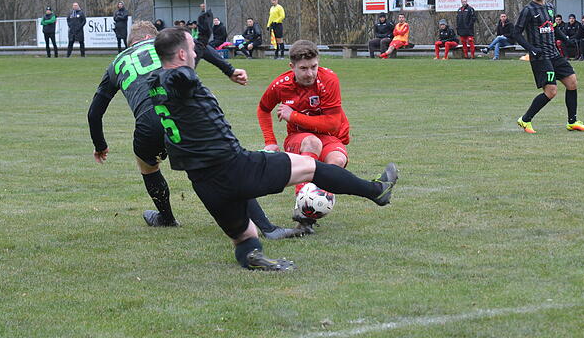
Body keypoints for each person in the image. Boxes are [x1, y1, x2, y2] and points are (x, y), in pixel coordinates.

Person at [147, 27, 399, 270]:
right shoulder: (180, 78)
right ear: (181, 55)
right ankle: (376, 190)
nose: (196, 53)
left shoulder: (155, 81)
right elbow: (183, 75)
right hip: (234, 167)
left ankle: (255, 260)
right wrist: (205, 44)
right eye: (192, 49)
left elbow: (180, 74)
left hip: (203, 181)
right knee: (311, 167)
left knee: (246, 237)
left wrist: (223, 64)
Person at [87, 22, 299, 239]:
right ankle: (267, 227)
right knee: (223, 165)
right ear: (154, 37)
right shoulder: (165, 46)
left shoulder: (117, 62)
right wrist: (230, 70)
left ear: (130, 42)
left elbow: (94, 112)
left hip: (148, 123)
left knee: (147, 165)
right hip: (182, 114)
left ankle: (166, 217)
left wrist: (100, 145)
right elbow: (202, 47)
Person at [257, 40, 353, 231]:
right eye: (303, 68)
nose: (310, 73)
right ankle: (302, 210)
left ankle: (314, 208)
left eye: (314, 67)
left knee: (338, 160)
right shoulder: (280, 85)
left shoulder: (329, 80)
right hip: (299, 138)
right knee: (312, 143)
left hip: (328, 135)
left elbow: (332, 123)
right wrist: (270, 142)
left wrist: (292, 115)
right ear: (292, 67)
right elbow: (263, 109)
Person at [512, 0, 584, 134]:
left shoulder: (550, 7)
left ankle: (572, 122)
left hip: (554, 54)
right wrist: (531, 48)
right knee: (551, 91)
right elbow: (516, 33)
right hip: (540, 57)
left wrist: (567, 39)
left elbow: (553, 27)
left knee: (572, 82)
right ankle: (525, 119)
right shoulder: (528, 10)